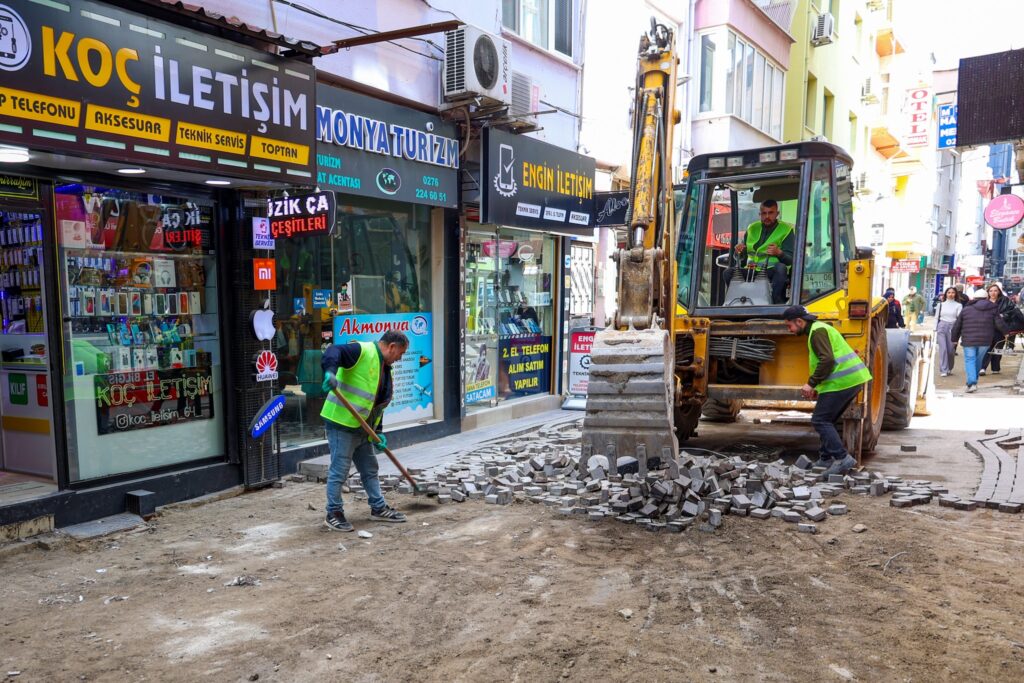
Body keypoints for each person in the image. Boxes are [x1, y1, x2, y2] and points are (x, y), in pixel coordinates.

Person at [320, 330, 410, 531]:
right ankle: (333, 512)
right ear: (392, 347)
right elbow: (334, 351)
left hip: (362, 427)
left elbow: (377, 403)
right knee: (340, 469)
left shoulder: (385, 368)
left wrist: (378, 431)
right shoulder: (363, 351)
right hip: (341, 422)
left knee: (370, 468)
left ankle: (378, 507)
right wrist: (330, 371)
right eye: (400, 354)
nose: (400, 358)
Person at [783, 305, 872, 476]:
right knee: (827, 419)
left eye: (790, 326)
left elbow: (827, 361)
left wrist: (811, 383)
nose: (789, 329)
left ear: (800, 321)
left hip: (843, 381)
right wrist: (818, 386)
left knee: (820, 420)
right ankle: (825, 458)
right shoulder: (819, 329)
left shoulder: (817, 332)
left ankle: (842, 458)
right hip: (851, 380)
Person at [726, 199, 795, 304]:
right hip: (751, 271)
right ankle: (735, 301)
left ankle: (776, 302)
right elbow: (742, 261)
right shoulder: (752, 228)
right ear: (760, 214)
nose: (767, 216)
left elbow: (791, 260)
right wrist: (739, 252)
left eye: (770, 213)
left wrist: (779, 253)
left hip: (770, 272)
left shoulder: (786, 230)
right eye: (764, 213)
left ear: (777, 213)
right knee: (728, 273)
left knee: (781, 268)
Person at [951, 289, 1008, 393]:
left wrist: (954, 339)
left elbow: (957, 326)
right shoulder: (993, 308)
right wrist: (1006, 333)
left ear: (974, 298)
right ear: (986, 298)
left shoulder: (966, 309)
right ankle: (973, 382)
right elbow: (999, 322)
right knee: (978, 360)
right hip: (985, 340)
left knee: (970, 360)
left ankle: (972, 382)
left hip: (968, 340)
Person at [980, 283, 1019, 375]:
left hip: (1001, 328)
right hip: (987, 328)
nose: (993, 293)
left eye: (995, 291)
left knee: (998, 348)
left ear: (999, 292)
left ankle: (995, 367)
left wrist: (1003, 316)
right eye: (991, 291)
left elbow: (1012, 311)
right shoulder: (984, 301)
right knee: (986, 348)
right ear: (988, 292)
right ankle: (982, 368)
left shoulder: (1005, 300)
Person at [934, 287, 962, 377]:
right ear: (946, 294)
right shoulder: (941, 305)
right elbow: (936, 317)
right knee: (943, 349)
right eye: (949, 292)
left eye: (953, 292)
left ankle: (949, 367)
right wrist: (935, 329)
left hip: (953, 327)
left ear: (955, 294)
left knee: (950, 351)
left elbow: (959, 318)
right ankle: (943, 369)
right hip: (942, 326)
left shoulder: (958, 305)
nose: (950, 294)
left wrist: (959, 330)